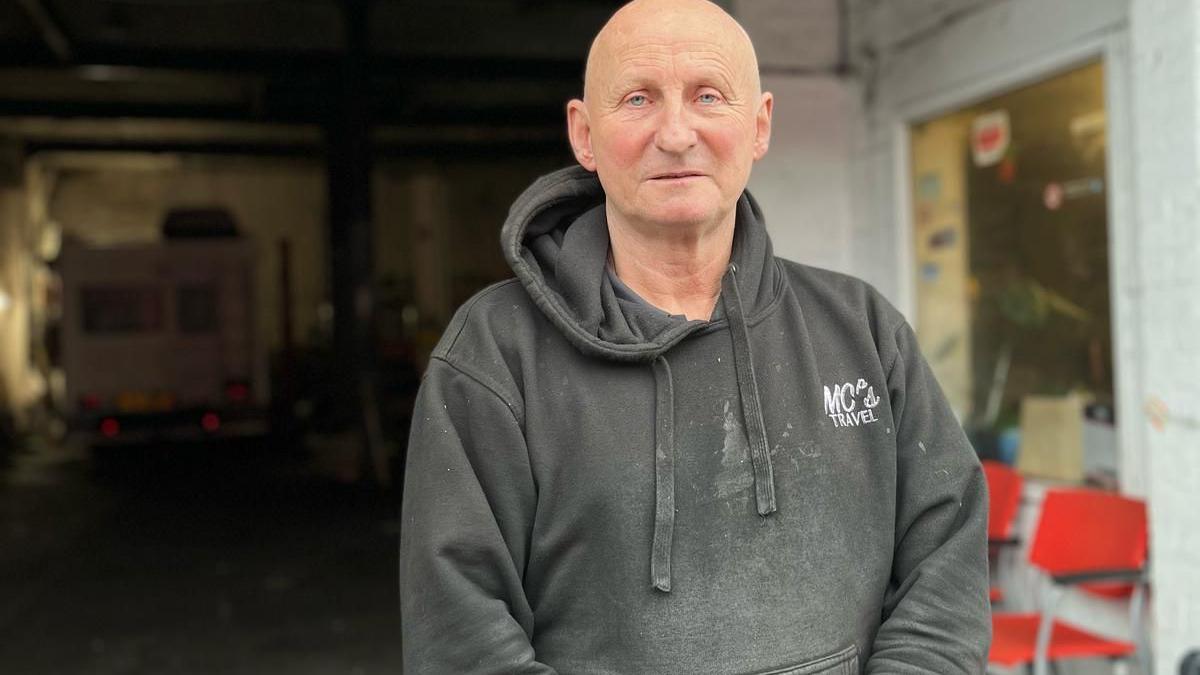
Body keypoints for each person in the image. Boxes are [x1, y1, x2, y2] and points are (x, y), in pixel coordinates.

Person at [399, 0, 990, 672]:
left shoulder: (863, 331)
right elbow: (463, 634)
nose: (676, 133)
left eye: (708, 95)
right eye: (638, 99)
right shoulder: (495, 355)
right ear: (584, 134)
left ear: (759, 124)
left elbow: (945, 566)